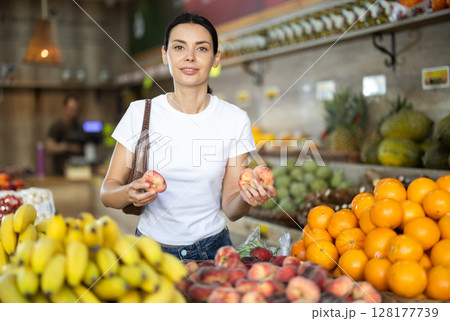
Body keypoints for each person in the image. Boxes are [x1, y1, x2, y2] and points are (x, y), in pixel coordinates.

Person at [100, 13, 277, 261]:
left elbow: (231, 208)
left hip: (214, 252)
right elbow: (107, 192)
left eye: (202, 48)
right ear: (165, 55)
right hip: (149, 253)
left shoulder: (235, 119)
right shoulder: (139, 113)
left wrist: (247, 197)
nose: (190, 56)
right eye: (179, 47)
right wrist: (129, 192)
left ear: (216, 59)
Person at [45, 95, 85, 175]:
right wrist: (68, 147)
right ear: (64, 108)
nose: (73, 113)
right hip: (60, 173)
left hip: (79, 171)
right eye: (71, 110)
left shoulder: (80, 126)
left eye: (76, 110)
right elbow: (49, 148)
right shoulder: (57, 127)